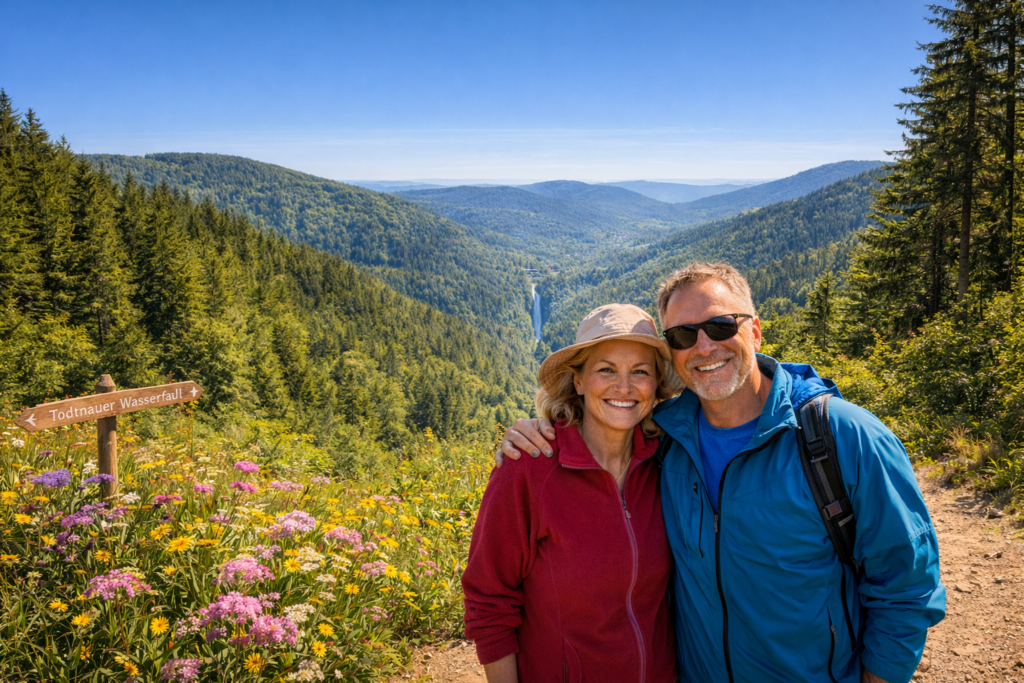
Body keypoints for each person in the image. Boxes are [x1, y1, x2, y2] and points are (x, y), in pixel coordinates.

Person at [496, 262, 946, 683]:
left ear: (755, 330)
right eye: (683, 335)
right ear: (672, 354)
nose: (704, 346)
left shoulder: (842, 437)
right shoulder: (662, 440)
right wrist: (540, 430)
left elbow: (907, 588)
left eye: (719, 326)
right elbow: (601, 425)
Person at [462, 304, 681, 683]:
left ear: (656, 385)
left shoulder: (669, 463)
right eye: (606, 369)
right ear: (578, 381)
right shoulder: (529, 467)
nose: (624, 387)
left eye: (640, 372)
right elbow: (488, 598)